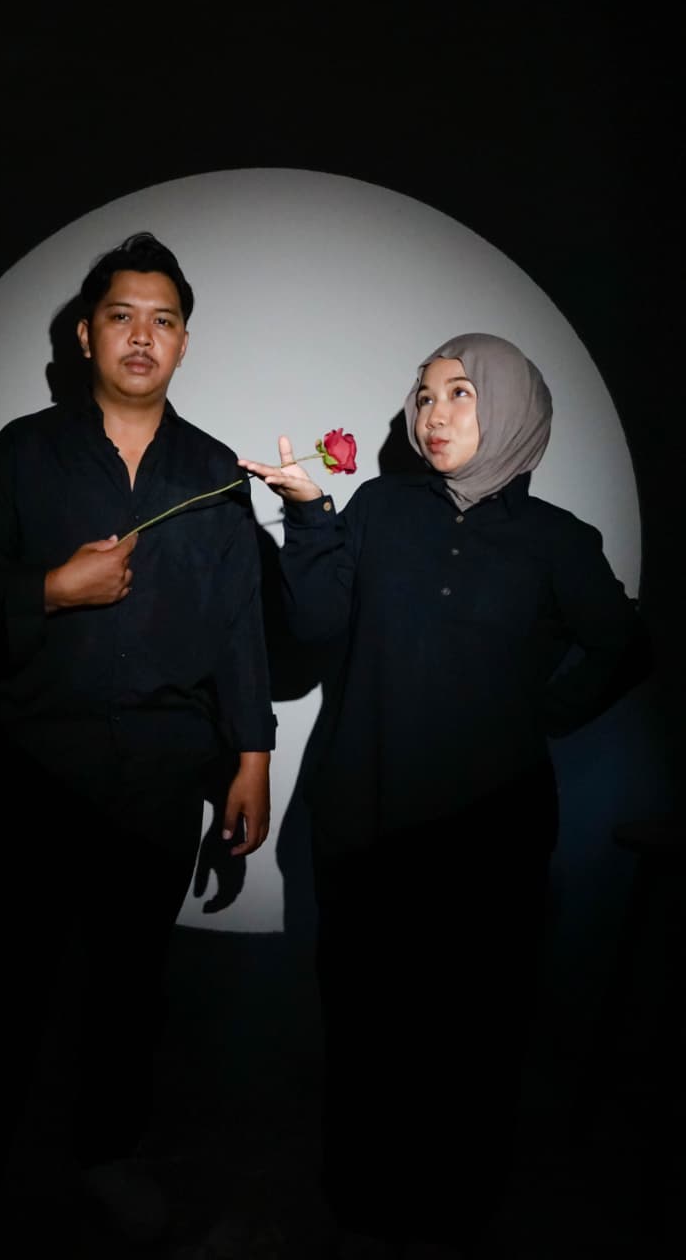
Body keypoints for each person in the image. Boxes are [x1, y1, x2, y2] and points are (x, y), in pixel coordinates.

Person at [0, 232, 275, 1254]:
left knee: (129, 988)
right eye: (121, 316)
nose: (141, 336)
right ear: (85, 334)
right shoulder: (25, 452)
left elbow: (240, 624)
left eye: (162, 320)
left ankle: (108, 1155)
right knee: (4, 986)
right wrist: (51, 589)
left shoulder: (212, 472)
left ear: (184, 341)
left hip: (159, 777)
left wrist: (250, 756)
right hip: (34, 764)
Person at [239, 333, 649, 1259]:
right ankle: (359, 1207)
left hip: (488, 839)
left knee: (474, 1038)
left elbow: (624, 645)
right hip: (364, 822)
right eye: (423, 397)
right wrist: (309, 515)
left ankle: (454, 1215)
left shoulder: (556, 541)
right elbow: (314, 626)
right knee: (366, 1033)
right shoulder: (379, 508)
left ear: (508, 407)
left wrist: (545, 711)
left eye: (460, 393)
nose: (433, 415)